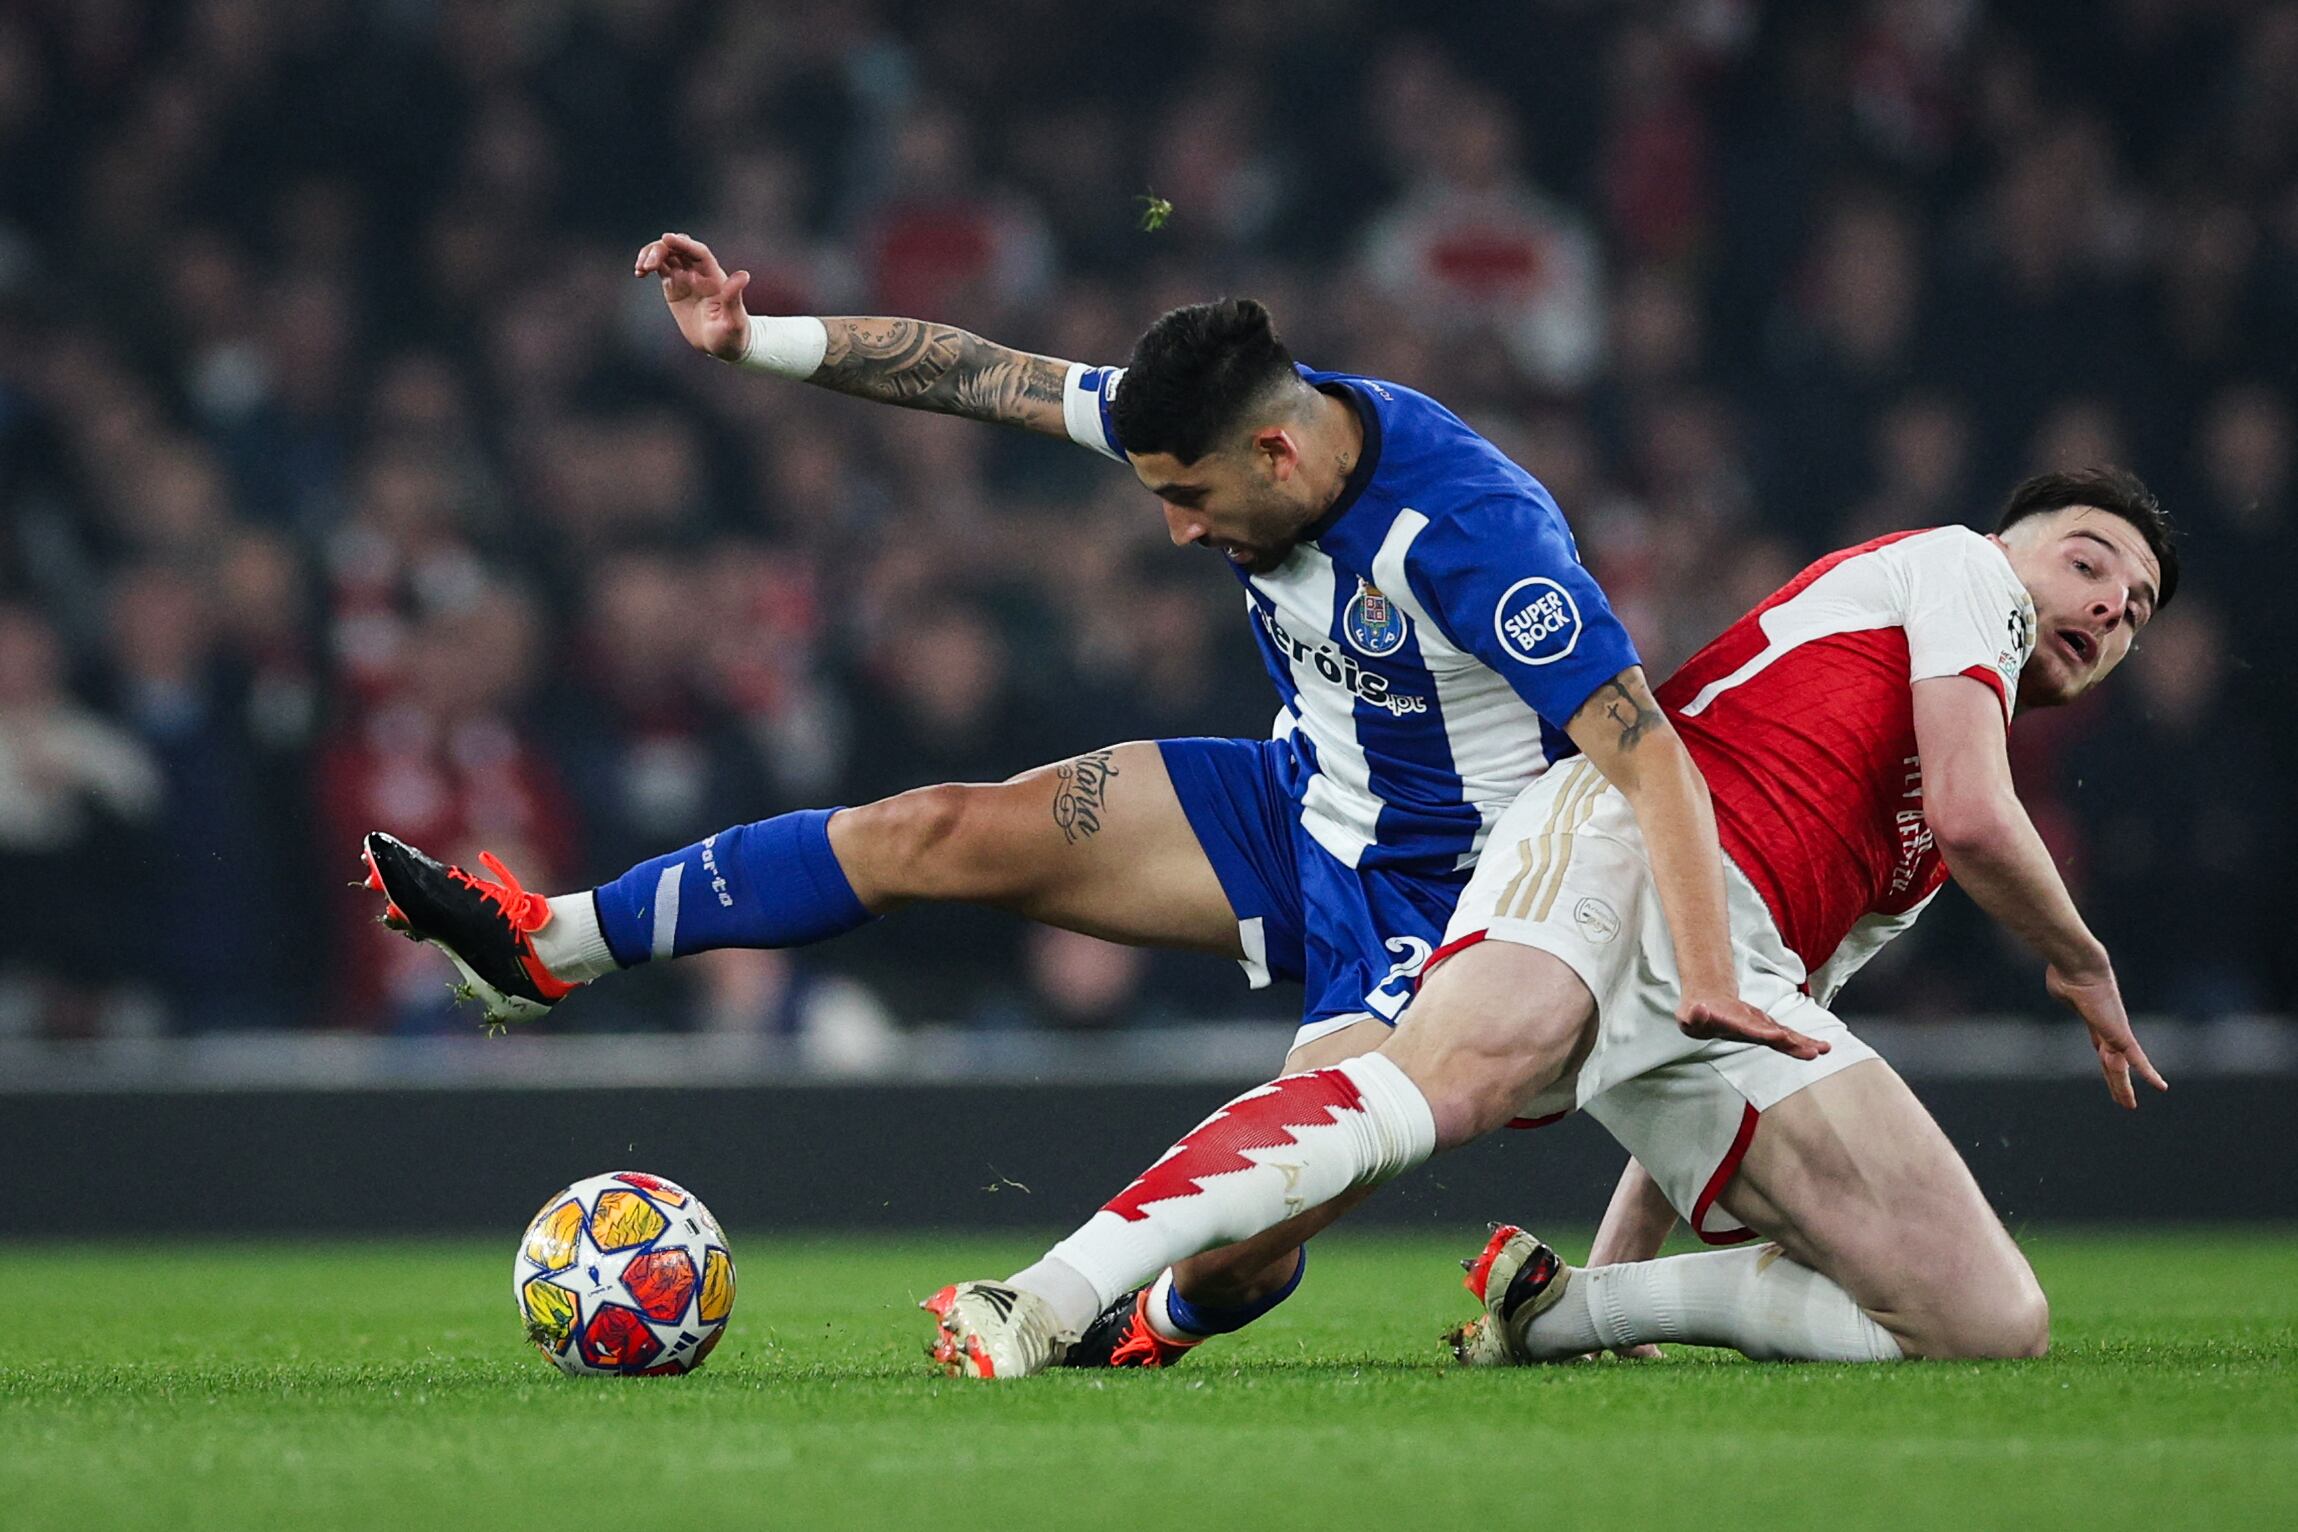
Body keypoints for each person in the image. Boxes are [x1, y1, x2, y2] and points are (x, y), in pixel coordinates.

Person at [359, 231, 1811, 1365]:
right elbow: (965, 368)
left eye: (1188, 496)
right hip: (1295, 805)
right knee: (933, 829)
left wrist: (1693, 968)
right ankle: (549, 945)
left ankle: (1149, 1325)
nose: (1172, 527)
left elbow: (1645, 753)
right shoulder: (1221, 431)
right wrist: (756, 338)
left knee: (1239, 1243)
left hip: (1467, 903)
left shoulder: (1473, 536)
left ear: (1277, 453)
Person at [926, 468, 2172, 1378]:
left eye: (2141, 603)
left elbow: (1738, 1041)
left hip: (1720, 962)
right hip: (1636, 835)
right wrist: (2083, 958)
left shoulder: (1902, 847)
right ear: (2013, 550)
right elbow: (1977, 811)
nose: (2114, 604)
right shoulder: (1960, 571)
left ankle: (1566, 1313)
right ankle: (1045, 1294)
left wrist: (1614, 1271)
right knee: (1440, 1087)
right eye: (2088, 560)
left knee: (1987, 1324)